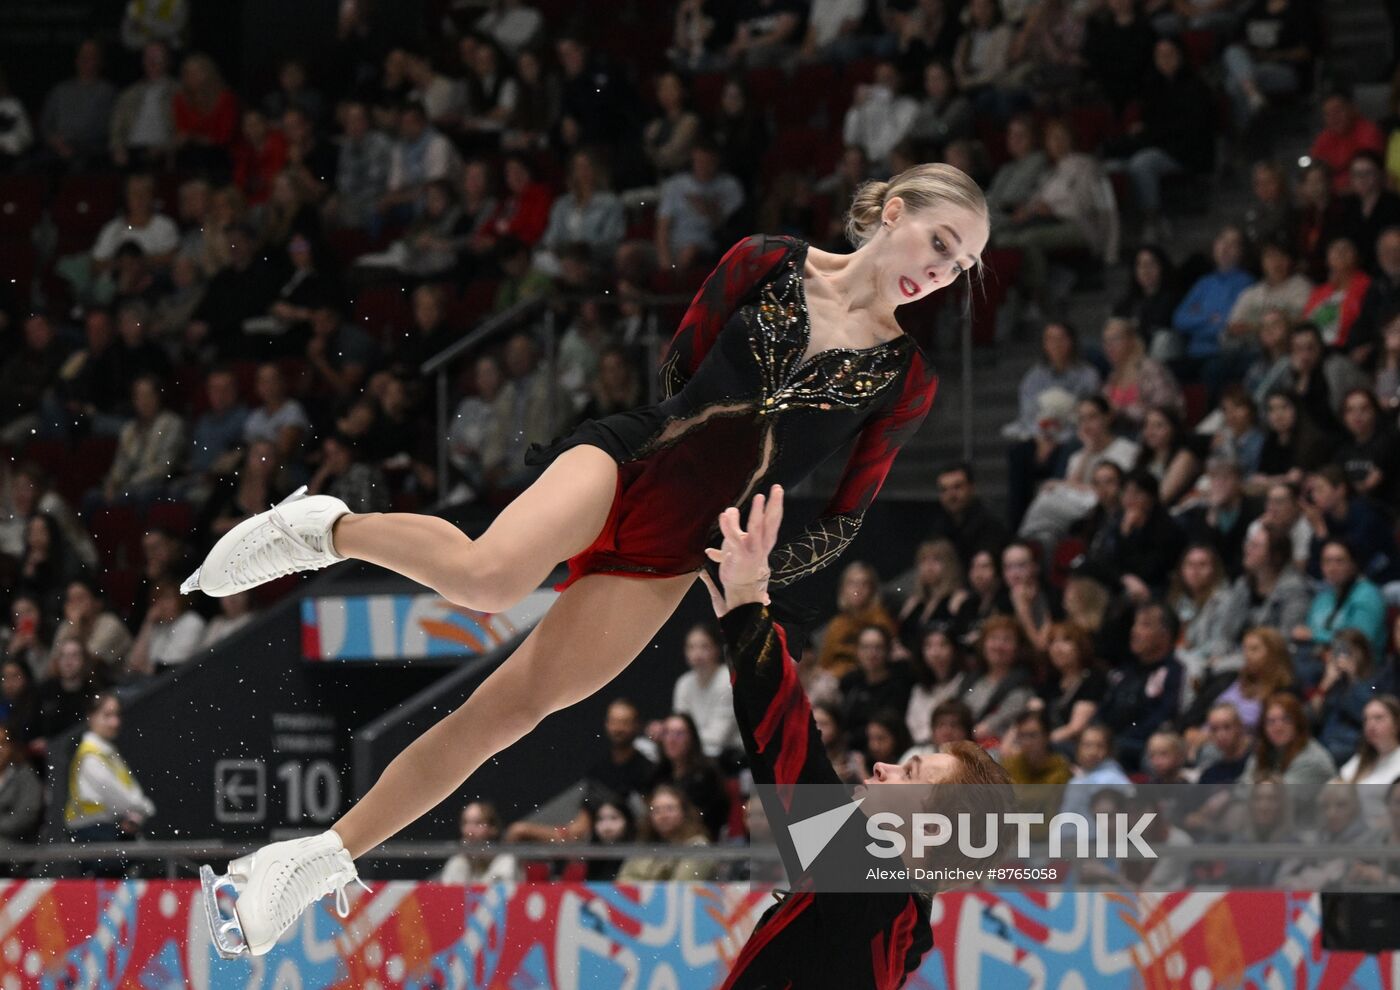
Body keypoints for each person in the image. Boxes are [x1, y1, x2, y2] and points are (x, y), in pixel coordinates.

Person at [192, 165, 992, 957]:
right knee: (488, 577)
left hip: (680, 551)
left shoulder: (906, 378)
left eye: (959, 267)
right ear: (892, 213)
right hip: (632, 457)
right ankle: (325, 529)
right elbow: (684, 369)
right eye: (940, 242)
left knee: (508, 712)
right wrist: (685, 461)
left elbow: (847, 515)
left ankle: (315, 858)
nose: (940, 271)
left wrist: (751, 570)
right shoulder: (767, 259)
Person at [690, 487, 1011, 988]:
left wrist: (750, 608)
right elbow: (774, 756)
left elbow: (795, 755)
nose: (884, 767)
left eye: (911, 773)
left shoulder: (874, 895)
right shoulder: (875, 898)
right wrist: (746, 617)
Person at [64, 693, 156, 857]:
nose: (115, 722)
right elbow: (123, 800)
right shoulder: (90, 756)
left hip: (109, 831)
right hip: (92, 835)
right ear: (91, 717)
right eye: (107, 715)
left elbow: (129, 794)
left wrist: (138, 811)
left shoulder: (107, 752)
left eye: (116, 715)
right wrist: (145, 809)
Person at [672, 622, 742, 759]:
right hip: (695, 751)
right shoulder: (683, 683)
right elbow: (680, 725)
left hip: (729, 756)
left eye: (704, 647)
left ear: (716, 649)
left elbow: (719, 736)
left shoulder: (727, 680)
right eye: (691, 647)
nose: (697, 654)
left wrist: (682, 738)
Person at [1339, 696, 1400, 827]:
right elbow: (1337, 786)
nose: (1370, 725)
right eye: (1366, 719)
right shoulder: (1361, 758)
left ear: (1396, 723)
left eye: (1378, 718)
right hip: (1353, 831)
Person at [439, 801, 519, 883]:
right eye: (466, 823)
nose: (469, 831)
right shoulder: (458, 862)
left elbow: (499, 893)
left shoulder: (506, 860)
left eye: (477, 823)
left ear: (493, 828)